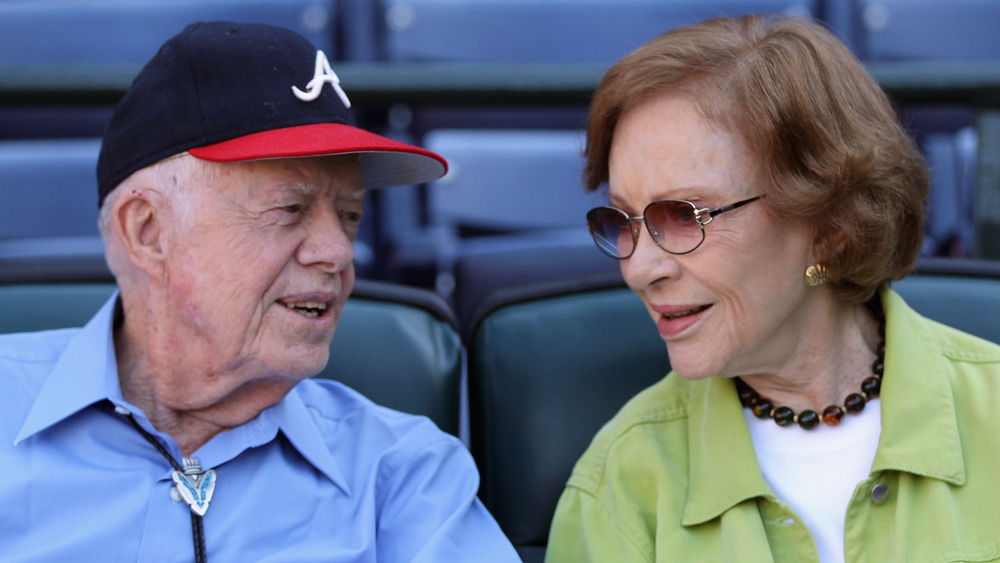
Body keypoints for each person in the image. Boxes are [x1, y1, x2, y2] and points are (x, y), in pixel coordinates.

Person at [0, 21, 520, 562]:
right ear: (148, 232)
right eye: (289, 209)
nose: (338, 253)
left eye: (350, 216)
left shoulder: (402, 477)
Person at [546, 14, 1000, 562]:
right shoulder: (621, 481)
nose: (641, 269)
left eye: (685, 217)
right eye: (622, 220)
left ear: (830, 229)